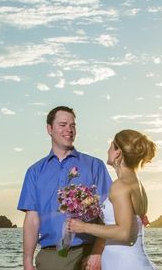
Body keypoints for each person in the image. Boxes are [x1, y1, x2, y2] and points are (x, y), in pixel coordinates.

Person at [18, 106, 112, 270]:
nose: (69, 130)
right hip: (51, 258)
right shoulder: (34, 172)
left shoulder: (94, 166)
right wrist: (27, 261)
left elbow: (109, 213)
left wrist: (98, 252)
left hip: (89, 256)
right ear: (49, 129)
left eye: (73, 125)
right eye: (63, 124)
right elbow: (32, 221)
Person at [68, 129, 157, 270]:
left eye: (110, 146)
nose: (108, 150)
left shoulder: (120, 185)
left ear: (118, 153)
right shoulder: (137, 184)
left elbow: (124, 232)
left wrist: (83, 227)